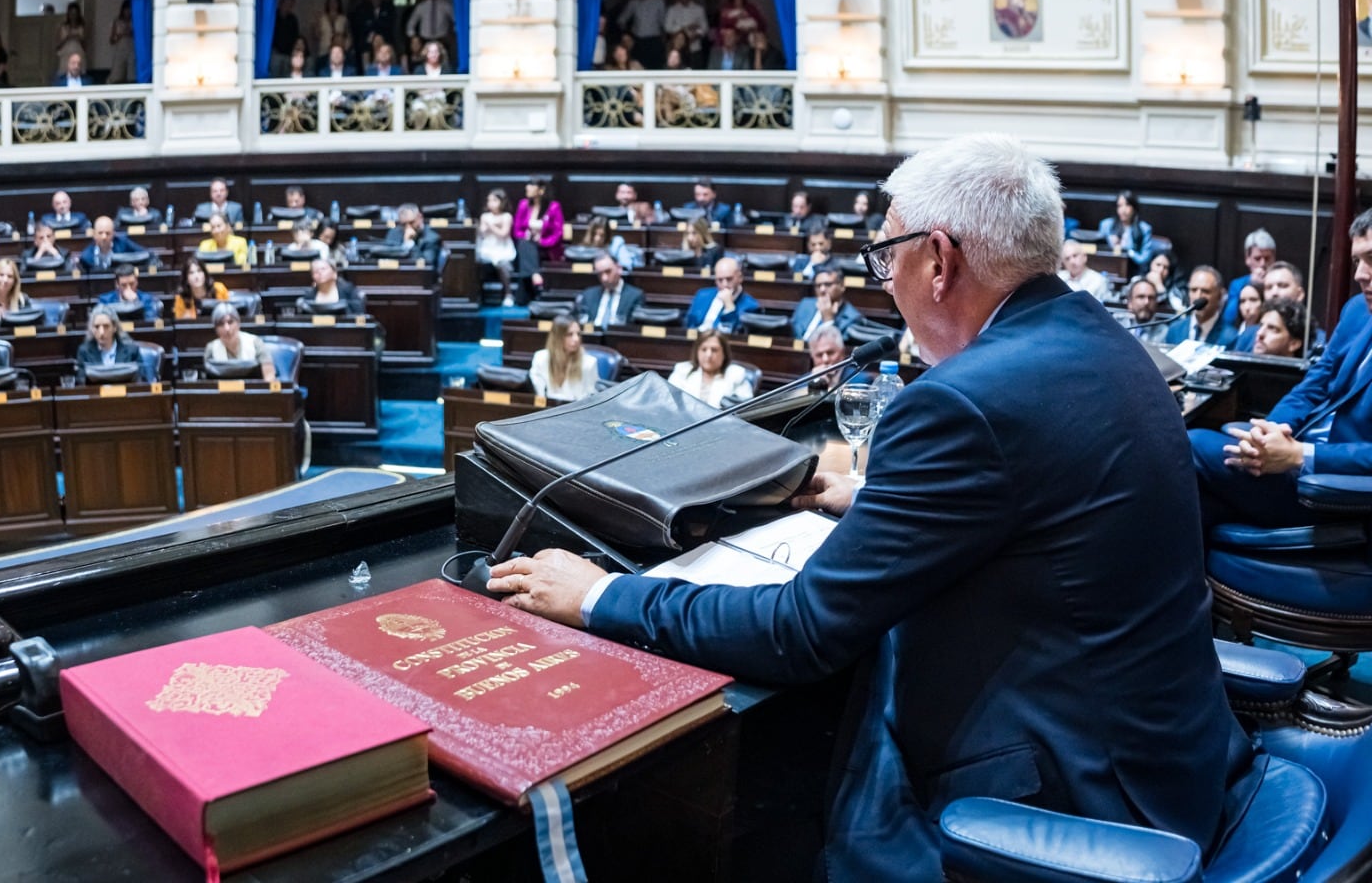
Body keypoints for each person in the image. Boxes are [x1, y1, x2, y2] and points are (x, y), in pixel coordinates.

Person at [488, 133, 1245, 880]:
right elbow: (1041, 504)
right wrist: (881, 497)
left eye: (887, 257)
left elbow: (800, 632)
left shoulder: (962, 404)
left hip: (1075, 798)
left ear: (940, 260)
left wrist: (599, 593)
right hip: (1173, 753)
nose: (884, 282)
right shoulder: (1109, 343)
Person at [1190, 207, 1372, 530]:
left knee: (1190, 444)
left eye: (1371, 258)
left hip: (1336, 488)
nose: (1359, 274)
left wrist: (1300, 455)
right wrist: (1267, 433)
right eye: (1358, 261)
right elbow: (1314, 384)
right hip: (1298, 453)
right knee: (1203, 491)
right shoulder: (1359, 310)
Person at [666, 328, 752, 408]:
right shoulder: (682, 371)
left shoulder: (736, 375)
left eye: (714, 350)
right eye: (704, 349)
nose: (708, 355)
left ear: (724, 353)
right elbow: (667, 403)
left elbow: (747, 411)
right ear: (697, 352)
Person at [528, 314, 599, 402]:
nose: (576, 339)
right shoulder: (540, 358)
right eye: (570, 334)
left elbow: (591, 399)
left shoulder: (589, 363)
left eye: (578, 334)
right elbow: (539, 395)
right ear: (557, 337)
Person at [683, 257, 761, 333]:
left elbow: (734, 334)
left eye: (729, 279)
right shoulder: (702, 295)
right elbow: (688, 324)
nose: (725, 284)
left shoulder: (750, 306)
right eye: (720, 280)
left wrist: (729, 307)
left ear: (740, 278)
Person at [1166, 266, 1236, 347]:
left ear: (1219, 296)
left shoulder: (1230, 337)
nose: (1198, 296)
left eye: (1205, 291)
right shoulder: (1174, 330)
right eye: (1193, 290)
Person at [205, 302, 276, 381]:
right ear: (216, 329)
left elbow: (269, 376)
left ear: (238, 323)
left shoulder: (256, 343)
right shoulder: (211, 349)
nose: (227, 328)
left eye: (230, 322)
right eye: (221, 324)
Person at [1222, 228, 1277, 328]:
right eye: (1257, 258)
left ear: (1274, 258)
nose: (1263, 264)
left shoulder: (1279, 284)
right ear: (1247, 259)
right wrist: (1251, 284)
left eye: (1267, 258)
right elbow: (1228, 319)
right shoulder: (1237, 284)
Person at [791, 271, 865, 343]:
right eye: (818, 285)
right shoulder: (805, 304)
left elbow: (837, 348)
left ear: (842, 286)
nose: (822, 289)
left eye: (828, 284)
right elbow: (792, 331)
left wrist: (828, 321)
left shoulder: (853, 318)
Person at [579, 251, 645, 329]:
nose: (604, 278)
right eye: (600, 274)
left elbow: (632, 328)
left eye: (608, 271)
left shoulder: (635, 296)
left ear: (619, 269)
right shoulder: (588, 295)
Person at [75, 307, 144, 382]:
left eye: (106, 326)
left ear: (114, 327)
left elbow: (141, 379)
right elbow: (81, 381)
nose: (101, 332)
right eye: (97, 327)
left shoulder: (132, 351)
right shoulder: (84, 352)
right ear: (92, 329)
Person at [475, 188, 518, 307]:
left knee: (503, 265)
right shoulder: (485, 216)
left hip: (503, 248)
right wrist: (489, 226)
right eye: (489, 201)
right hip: (487, 248)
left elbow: (504, 234)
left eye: (494, 200)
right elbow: (482, 233)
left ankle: (508, 294)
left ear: (502, 202)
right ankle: (478, 295)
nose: (491, 203)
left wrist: (491, 226)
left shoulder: (507, 216)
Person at [617, 0, 666, 70]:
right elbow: (621, 20)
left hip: (654, 41)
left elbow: (663, 23)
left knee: (655, 67)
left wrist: (663, 39)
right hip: (638, 41)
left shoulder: (658, 2)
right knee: (638, 67)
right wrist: (626, 34)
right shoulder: (633, 3)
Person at [1098, 189, 1154, 271]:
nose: (1123, 210)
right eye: (1119, 206)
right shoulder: (1106, 225)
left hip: (1133, 270)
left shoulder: (1144, 229)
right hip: (1108, 269)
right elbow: (1098, 251)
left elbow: (1144, 260)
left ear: (1134, 208)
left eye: (1127, 205)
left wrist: (1128, 251)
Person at [298, 257, 364, 315]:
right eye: (315, 271)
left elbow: (358, 316)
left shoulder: (349, 291)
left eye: (323, 269)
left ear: (334, 273)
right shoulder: (309, 296)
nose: (319, 272)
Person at [385, 204, 442, 269]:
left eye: (411, 222)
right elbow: (388, 256)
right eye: (404, 224)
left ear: (420, 217)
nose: (408, 227)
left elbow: (427, 265)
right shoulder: (394, 233)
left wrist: (410, 244)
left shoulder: (432, 238)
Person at [79, 215, 143, 273]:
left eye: (108, 233)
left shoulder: (122, 243)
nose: (104, 237)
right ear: (94, 234)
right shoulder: (86, 256)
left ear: (113, 234)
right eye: (100, 233)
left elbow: (143, 254)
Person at [1116, 278, 1165, 343]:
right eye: (1141, 297)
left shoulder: (1164, 332)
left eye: (1151, 298)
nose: (1146, 302)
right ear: (1130, 302)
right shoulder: (1118, 326)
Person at [270, 0, 301, 79]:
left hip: (288, 54)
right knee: (274, 77)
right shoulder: (273, 17)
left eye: (290, 5)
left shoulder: (293, 19)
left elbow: (296, 36)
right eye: (286, 4)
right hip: (275, 53)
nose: (287, 7)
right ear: (281, 4)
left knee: (286, 77)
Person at [107, 0, 135, 85]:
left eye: (130, 9)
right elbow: (111, 40)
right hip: (120, 49)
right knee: (117, 74)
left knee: (132, 74)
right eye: (126, 9)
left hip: (132, 49)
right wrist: (120, 35)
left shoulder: (135, 21)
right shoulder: (117, 21)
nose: (128, 12)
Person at [55, 0, 87, 78]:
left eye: (75, 13)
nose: (73, 16)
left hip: (79, 54)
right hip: (66, 55)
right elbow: (57, 46)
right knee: (64, 77)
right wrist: (67, 37)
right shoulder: (62, 26)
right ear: (68, 14)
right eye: (71, 13)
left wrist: (78, 38)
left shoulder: (82, 26)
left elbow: (86, 46)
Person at [1232, 282, 1265, 352]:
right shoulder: (1232, 331)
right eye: (1242, 301)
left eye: (1253, 300)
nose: (1247, 307)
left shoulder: (1265, 334)